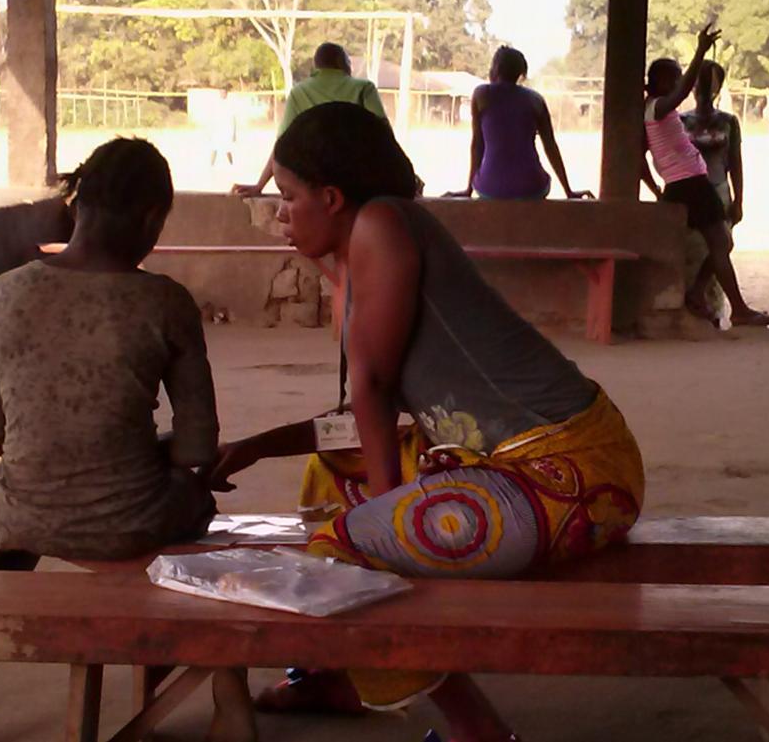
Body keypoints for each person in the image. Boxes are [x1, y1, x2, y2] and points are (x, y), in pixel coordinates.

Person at [209, 102, 645, 742]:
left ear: (331, 197)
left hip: (569, 471)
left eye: (288, 197)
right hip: (517, 463)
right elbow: (360, 416)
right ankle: (341, 674)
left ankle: (479, 732)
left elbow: (375, 386)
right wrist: (253, 448)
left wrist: (385, 518)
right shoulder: (364, 246)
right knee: (331, 476)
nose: (279, 213)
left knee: (349, 547)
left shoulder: (382, 225)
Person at [0, 138, 232, 742]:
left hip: (27, 518)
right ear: (152, 220)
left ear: (78, 205)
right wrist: (137, 453)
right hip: (136, 520)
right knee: (203, 501)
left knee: (7, 513)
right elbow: (199, 449)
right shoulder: (164, 301)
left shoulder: (3, 293)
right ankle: (229, 696)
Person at [641, 25, 769, 327]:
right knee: (720, 242)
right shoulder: (658, 108)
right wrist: (700, 51)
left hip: (684, 185)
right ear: (662, 80)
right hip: (691, 185)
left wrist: (659, 190)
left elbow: (640, 161)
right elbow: (684, 89)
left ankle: (700, 293)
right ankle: (735, 308)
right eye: (674, 76)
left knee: (720, 243)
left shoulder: (655, 111)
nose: (678, 82)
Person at [232, 42, 386, 198]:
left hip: (314, 181)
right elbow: (384, 134)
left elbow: (282, 144)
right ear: (342, 62)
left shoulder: (299, 92)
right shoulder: (364, 88)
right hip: (356, 178)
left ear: (316, 65)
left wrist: (260, 185)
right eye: (349, 62)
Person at [453, 46, 591, 200]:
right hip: (532, 187)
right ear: (520, 73)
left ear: (496, 69)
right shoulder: (536, 100)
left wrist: (468, 190)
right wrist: (568, 191)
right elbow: (550, 146)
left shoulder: (481, 95)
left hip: (490, 188)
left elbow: (478, 144)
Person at [682, 61, 743, 319]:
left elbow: (735, 162)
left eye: (711, 83)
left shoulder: (728, 121)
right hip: (690, 191)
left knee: (720, 247)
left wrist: (738, 198)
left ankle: (710, 307)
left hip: (718, 191)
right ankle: (694, 301)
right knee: (695, 251)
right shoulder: (681, 120)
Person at [211, 88, 237, 167]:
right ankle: (211, 166)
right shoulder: (216, 104)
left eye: (224, 92)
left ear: (226, 94)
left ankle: (231, 164)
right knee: (214, 148)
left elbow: (233, 119)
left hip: (227, 130)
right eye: (221, 92)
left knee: (227, 149)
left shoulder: (230, 105)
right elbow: (213, 118)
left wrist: (234, 133)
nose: (222, 94)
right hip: (218, 129)